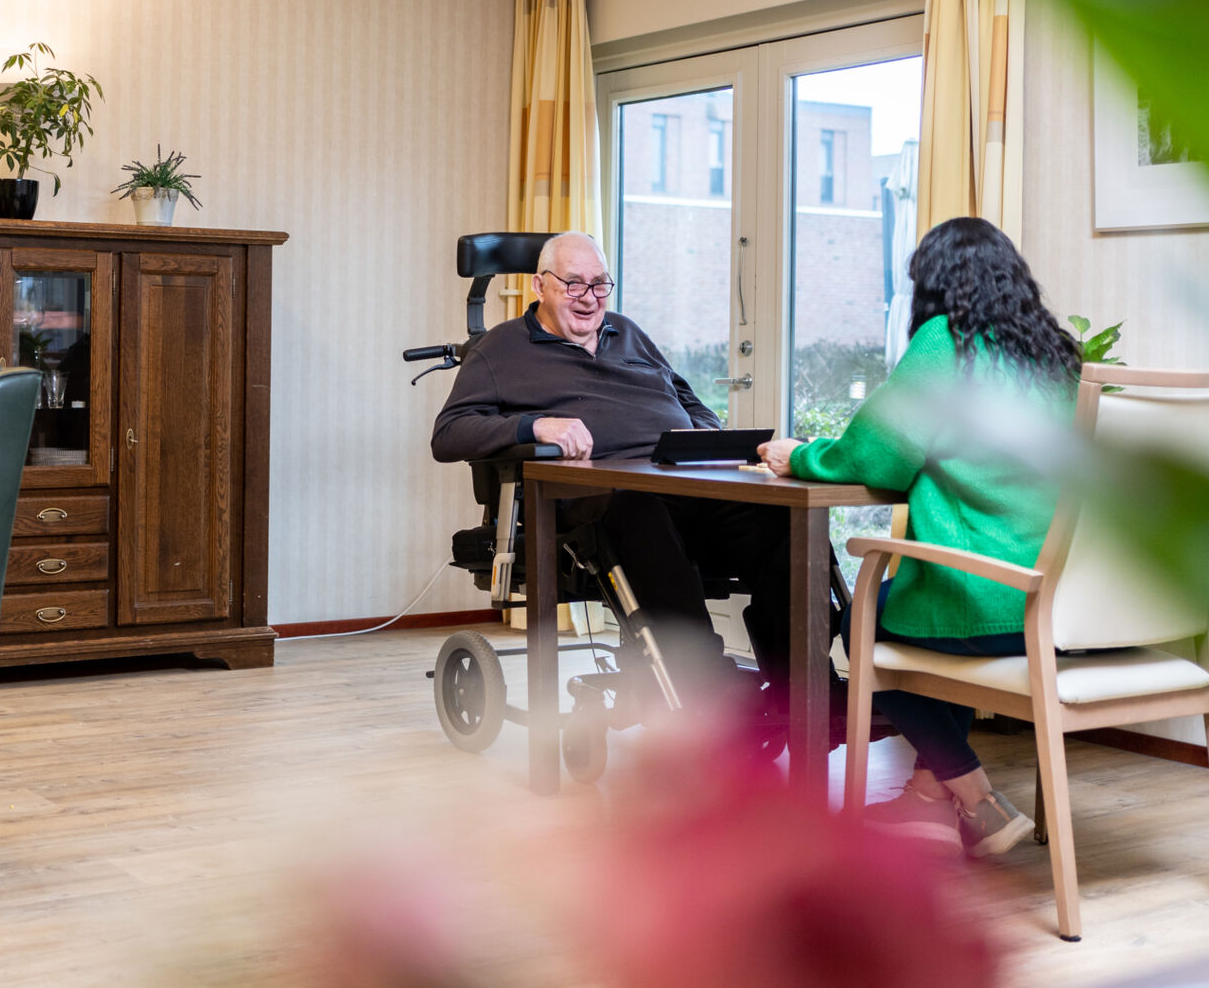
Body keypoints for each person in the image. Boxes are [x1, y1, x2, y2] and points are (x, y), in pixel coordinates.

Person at [758, 216, 1080, 858]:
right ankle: (930, 801)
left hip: (985, 601)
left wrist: (800, 454)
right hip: (1055, 609)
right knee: (925, 612)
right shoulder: (1056, 354)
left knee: (864, 622)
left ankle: (976, 795)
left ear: (934, 286)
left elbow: (875, 456)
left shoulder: (949, 344)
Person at [432, 231, 793, 709]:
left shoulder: (628, 332)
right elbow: (449, 433)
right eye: (574, 284)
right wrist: (535, 425)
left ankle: (801, 682)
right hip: (593, 502)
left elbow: (688, 399)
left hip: (680, 485)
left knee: (782, 516)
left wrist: (699, 435)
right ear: (539, 286)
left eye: (600, 284)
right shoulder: (501, 349)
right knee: (636, 508)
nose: (589, 298)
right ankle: (706, 684)